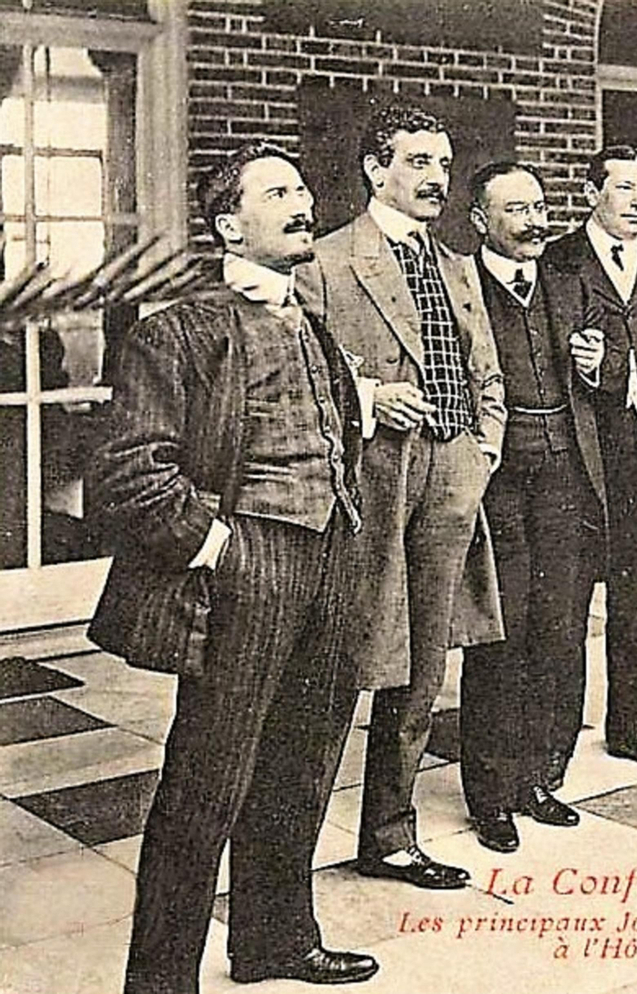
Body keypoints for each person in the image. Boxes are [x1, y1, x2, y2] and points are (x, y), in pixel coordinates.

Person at [88, 141, 377, 993]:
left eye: (302, 186)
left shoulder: (310, 322)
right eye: (277, 191)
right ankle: (161, 981)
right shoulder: (176, 331)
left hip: (328, 561)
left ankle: (274, 942)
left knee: (302, 765)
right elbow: (131, 472)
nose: (302, 200)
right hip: (247, 569)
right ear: (228, 226)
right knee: (204, 786)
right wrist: (223, 548)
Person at [298, 104, 505, 891]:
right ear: (374, 170)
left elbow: (488, 374)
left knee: (424, 667)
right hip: (373, 484)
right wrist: (369, 394)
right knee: (348, 659)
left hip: (453, 473)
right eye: (419, 161)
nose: (437, 179)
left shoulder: (455, 264)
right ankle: (285, 852)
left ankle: (388, 835)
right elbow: (304, 377)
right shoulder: (325, 262)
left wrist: (484, 444)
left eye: (444, 165)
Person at [459, 161, 606, 850]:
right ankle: (490, 796)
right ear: (481, 221)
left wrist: (598, 364)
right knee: (500, 634)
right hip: (496, 480)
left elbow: (609, 379)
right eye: (516, 209)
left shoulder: (570, 287)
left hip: (563, 477)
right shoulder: (458, 288)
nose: (534, 220)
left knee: (557, 629)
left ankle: (538, 777)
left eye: (540, 206)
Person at [541, 146, 637, 777]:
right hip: (579, 456)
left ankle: (632, 726)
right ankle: (552, 745)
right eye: (625, 188)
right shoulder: (556, 261)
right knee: (567, 607)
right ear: (591, 193)